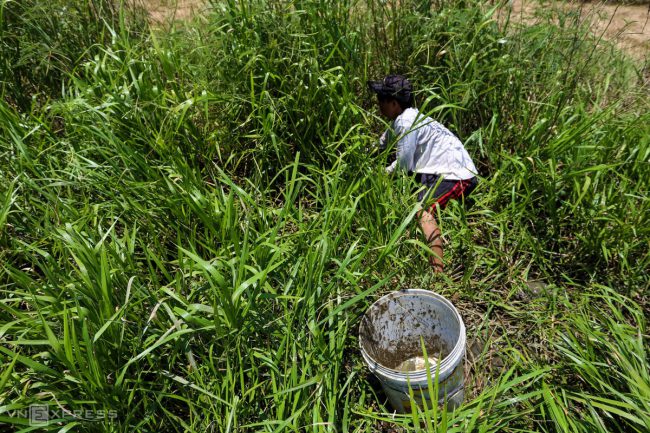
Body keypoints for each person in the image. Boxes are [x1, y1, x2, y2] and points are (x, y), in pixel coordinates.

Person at [368, 75, 478, 273]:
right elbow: (382, 145)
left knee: (421, 210)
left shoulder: (407, 122)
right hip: (437, 170)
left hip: (456, 175)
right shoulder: (403, 119)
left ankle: (437, 273)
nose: (378, 106)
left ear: (393, 103)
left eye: (381, 101)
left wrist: (379, 176)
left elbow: (402, 165)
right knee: (413, 197)